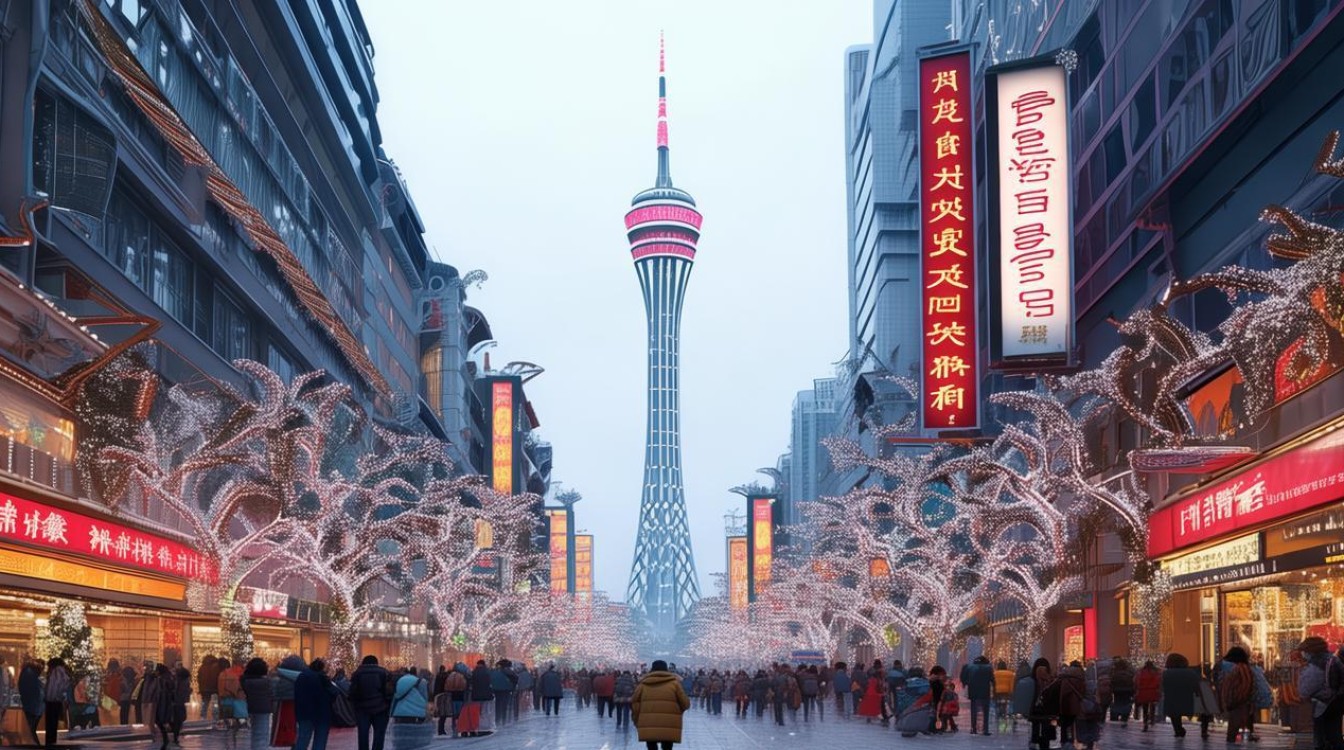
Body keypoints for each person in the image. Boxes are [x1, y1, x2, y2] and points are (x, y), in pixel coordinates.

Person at [1298, 636, 1344, 750]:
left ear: (1310, 651)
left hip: (1322, 704)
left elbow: (1305, 689)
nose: (1302, 654)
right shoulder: (1333, 659)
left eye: (1304, 651)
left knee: (1322, 737)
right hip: (1338, 702)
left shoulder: (1316, 665)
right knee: (1335, 735)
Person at [632, 660, 690, 750]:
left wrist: (636, 720)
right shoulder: (674, 684)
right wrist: (677, 711)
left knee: (651, 746)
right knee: (667, 747)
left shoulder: (643, 684)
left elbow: (635, 703)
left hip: (648, 723)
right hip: (669, 723)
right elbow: (686, 704)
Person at [349, 655, 391, 750]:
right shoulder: (383, 672)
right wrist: (386, 704)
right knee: (379, 735)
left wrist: (356, 704)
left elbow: (352, 692)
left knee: (363, 734)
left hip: (362, 709)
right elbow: (388, 692)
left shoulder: (357, 673)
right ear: (376, 662)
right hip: (380, 708)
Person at [1218, 647, 1257, 744]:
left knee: (1234, 725)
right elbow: (1246, 685)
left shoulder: (1233, 668)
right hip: (1239, 701)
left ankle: (1231, 741)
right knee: (1236, 724)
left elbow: (1230, 685)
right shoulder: (1243, 668)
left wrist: (1230, 700)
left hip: (1235, 701)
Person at [294, 658, 333, 750]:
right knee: (320, 740)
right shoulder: (322, 678)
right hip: (322, 713)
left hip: (303, 713)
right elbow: (333, 693)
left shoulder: (301, 676)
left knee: (303, 739)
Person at [1162, 653, 1200, 738]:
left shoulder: (1166, 673)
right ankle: (1180, 730)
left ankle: (1178, 729)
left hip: (1171, 698)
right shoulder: (1190, 673)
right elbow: (1196, 686)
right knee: (1181, 711)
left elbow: (1161, 686)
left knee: (1174, 715)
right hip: (1185, 698)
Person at [240, 657, 273, 750]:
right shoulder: (266, 682)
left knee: (255, 734)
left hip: (251, 708)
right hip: (264, 710)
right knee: (262, 735)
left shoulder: (245, 681)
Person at [44, 657, 71, 748]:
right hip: (57, 700)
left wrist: (50, 697)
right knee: (53, 723)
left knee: (51, 723)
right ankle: (52, 741)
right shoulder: (63, 672)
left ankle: (50, 742)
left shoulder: (56, 672)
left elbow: (53, 687)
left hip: (53, 701)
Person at [964, 655, 993, 735]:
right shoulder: (988, 668)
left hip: (973, 692)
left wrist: (968, 683)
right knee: (986, 712)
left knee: (974, 711)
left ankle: (973, 729)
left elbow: (965, 679)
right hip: (985, 692)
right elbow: (992, 679)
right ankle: (985, 730)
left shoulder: (970, 667)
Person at [151, 664, 176, 750]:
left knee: (160, 720)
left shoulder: (163, 679)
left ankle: (166, 738)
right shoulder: (167, 677)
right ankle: (166, 738)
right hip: (165, 702)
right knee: (161, 720)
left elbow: (161, 691)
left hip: (164, 702)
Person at [439, 663, 467, 736]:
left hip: (452, 697)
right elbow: (464, 686)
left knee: (454, 715)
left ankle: (454, 728)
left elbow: (446, 687)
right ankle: (462, 729)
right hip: (460, 697)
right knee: (461, 714)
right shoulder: (461, 676)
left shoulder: (450, 676)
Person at [1135, 659, 1162, 731]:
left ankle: (1145, 722)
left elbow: (1136, 681)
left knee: (1145, 707)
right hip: (1153, 691)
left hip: (1143, 691)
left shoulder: (1141, 672)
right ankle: (1152, 719)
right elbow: (1160, 681)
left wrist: (1137, 689)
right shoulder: (1157, 672)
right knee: (1152, 705)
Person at [20, 660, 43, 744]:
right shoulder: (32, 675)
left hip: (30, 706)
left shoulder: (26, 673)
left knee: (31, 730)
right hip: (34, 707)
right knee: (31, 730)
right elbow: (37, 692)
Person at [1109, 657, 1135, 723]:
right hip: (1127, 690)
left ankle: (1116, 713)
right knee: (1126, 703)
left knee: (1117, 702)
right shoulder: (1129, 673)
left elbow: (1112, 682)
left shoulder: (1115, 674)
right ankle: (1125, 715)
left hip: (1117, 691)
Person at [993, 659, 1017, 732]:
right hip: (1006, 692)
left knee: (997, 705)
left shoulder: (994, 673)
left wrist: (992, 692)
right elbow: (1012, 684)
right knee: (1006, 705)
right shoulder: (1010, 674)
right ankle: (1004, 721)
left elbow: (993, 684)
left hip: (997, 692)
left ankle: (998, 716)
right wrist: (1011, 692)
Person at [196, 655, 219, 721]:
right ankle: (215, 716)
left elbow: (199, 678)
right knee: (215, 703)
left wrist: (200, 687)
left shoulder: (202, 667)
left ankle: (203, 716)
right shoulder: (216, 667)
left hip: (204, 689)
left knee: (205, 702)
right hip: (214, 688)